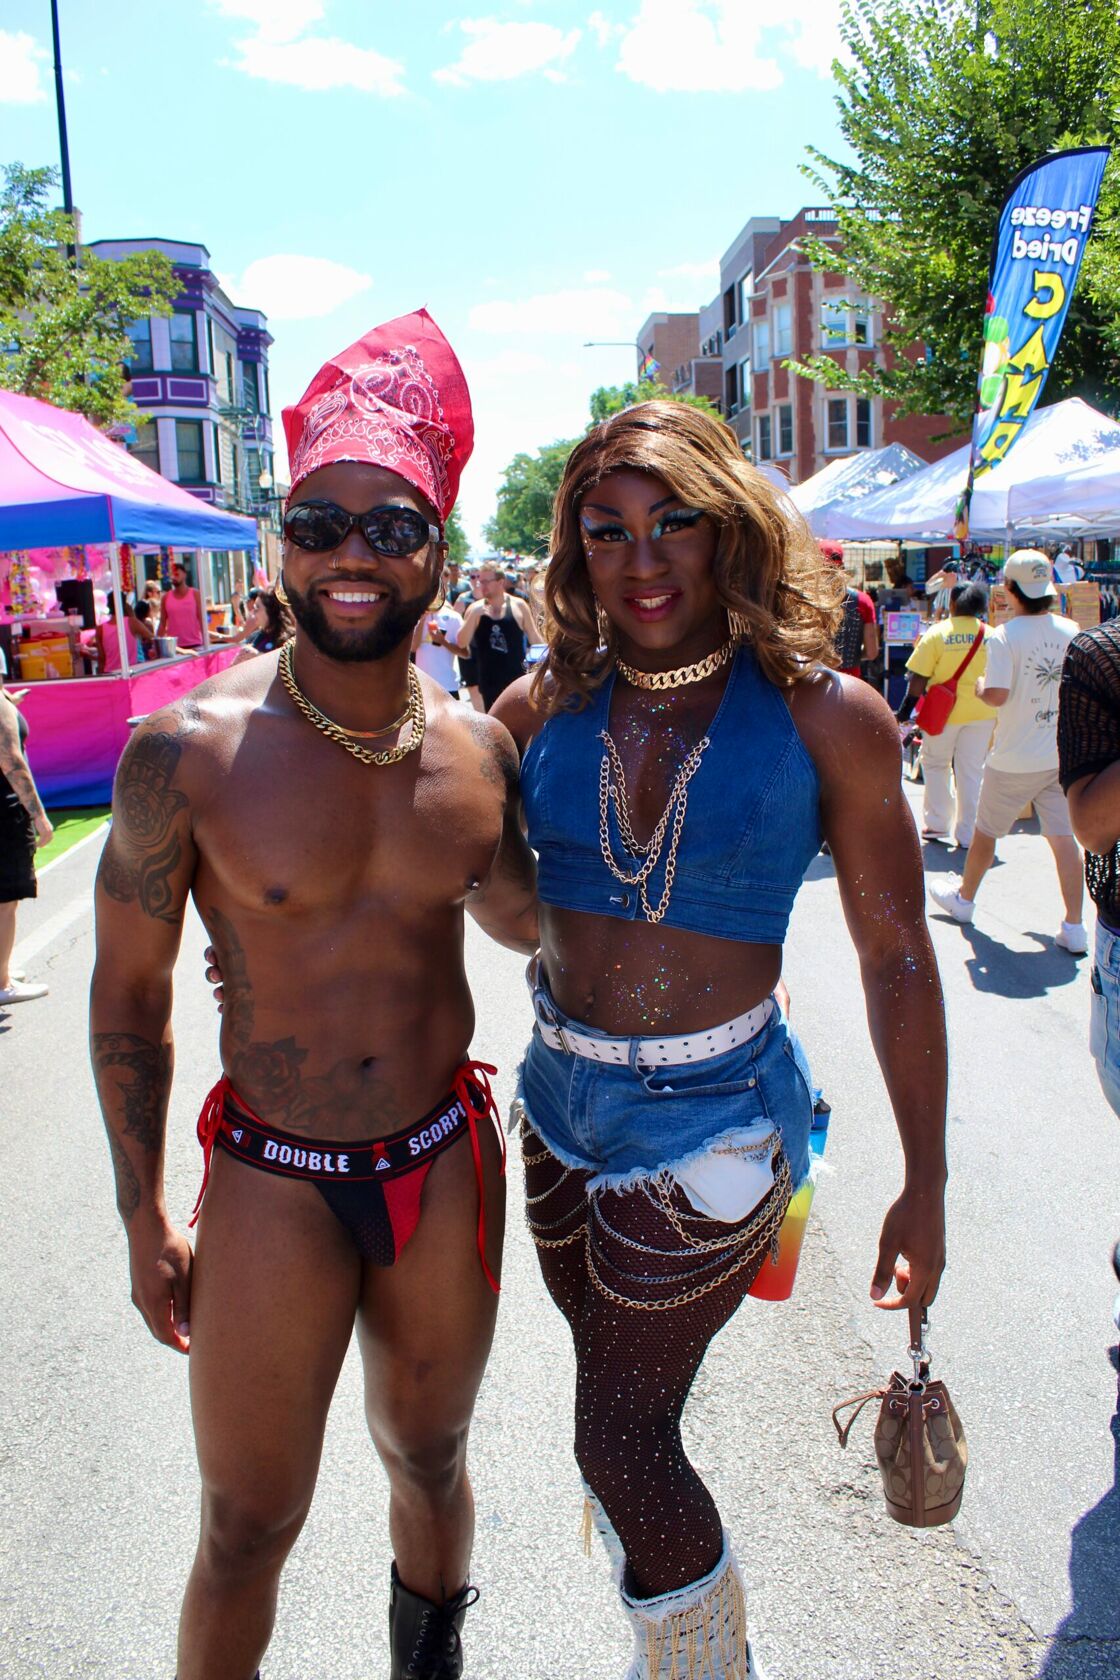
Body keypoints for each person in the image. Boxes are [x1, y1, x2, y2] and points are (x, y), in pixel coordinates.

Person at [90, 310, 538, 1680]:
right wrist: (140, 1214)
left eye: (391, 526)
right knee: (244, 1522)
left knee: (434, 1457)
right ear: (283, 544)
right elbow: (129, 1001)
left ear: (439, 554)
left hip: (442, 1165)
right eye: (320, 521)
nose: (353, 551)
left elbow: (535, 929)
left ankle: (429, 1662)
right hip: (274, 1179)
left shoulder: (477, 751)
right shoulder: (188, 753)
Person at [493, 400, 947, 1678]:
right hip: (557, 1106)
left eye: (672, 524)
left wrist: (927, 1181)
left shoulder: (827, 715)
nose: (642, 561)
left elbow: (898, 953)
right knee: (626, 1416)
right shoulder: (536, 708)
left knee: (618, 1443)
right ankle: (674, 1636)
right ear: (575, 552)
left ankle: (703, 1664)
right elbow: (494, 902)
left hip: (719, 1122)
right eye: (607, 531)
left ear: (728, 529)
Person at [929, 549, 1085, 949]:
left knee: (985, 832)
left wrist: (981, 687)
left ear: (1010, 590)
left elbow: (996, 695)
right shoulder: (1072, 629)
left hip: (1014, 755)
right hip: (1058, 753)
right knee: (1063, 837)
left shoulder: (1005, 636)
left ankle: (964, 900)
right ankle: (1074, 925)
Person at [899, 581, 995, 846]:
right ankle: (968, 833)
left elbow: (918, 677)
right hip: (982, 712)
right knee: (972, 770)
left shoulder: (937, 634)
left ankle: (938, 824)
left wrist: (905, 711)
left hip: (942, 714)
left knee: (936, 764)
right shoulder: (993, 635)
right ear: (981, 607)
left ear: (952, 604)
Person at [0, 673, 53, 1004]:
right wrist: (38, 815)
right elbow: (10, 760)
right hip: (4, 813)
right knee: (6, 901)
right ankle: (3, 984)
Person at [455, 560, 540, 711]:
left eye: (487, 581)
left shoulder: (518, 606)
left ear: (501, 582)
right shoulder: (475, 609)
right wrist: (474, 616)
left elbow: (534, 638)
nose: (482, 585)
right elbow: (461, 643)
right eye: (480, 581)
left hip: (517, 681)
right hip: (488, 681)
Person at [819, 540, 878, 676]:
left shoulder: (804, 601)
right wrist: (854, 656)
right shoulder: (863, 601)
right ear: (843, 567)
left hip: (814, 679)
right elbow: (872, 653)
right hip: (851, 679)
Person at [412, 570, 465, 697]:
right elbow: (413, 647)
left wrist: (443, 642)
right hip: (422, 687)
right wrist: (423, 617)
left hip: (448, 685)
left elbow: (465, 653)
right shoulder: (415, 616)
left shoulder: (453, 617)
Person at [95, 592, 154, 674]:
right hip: (131, 672)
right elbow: (154, 639)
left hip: (110, 674)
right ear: (125, 604)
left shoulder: (100, 629)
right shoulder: (132, 622)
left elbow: (101, 658)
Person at [158, 559, 206, 649]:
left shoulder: (195, 594)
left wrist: (206, 643)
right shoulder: (166, 597)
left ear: (184, 574)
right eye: (172, 575)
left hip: (195, 644)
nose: (174, 577)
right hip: (175, 647)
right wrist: (156, 646)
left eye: (177, 574)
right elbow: (162, 623)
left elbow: (202, 619)